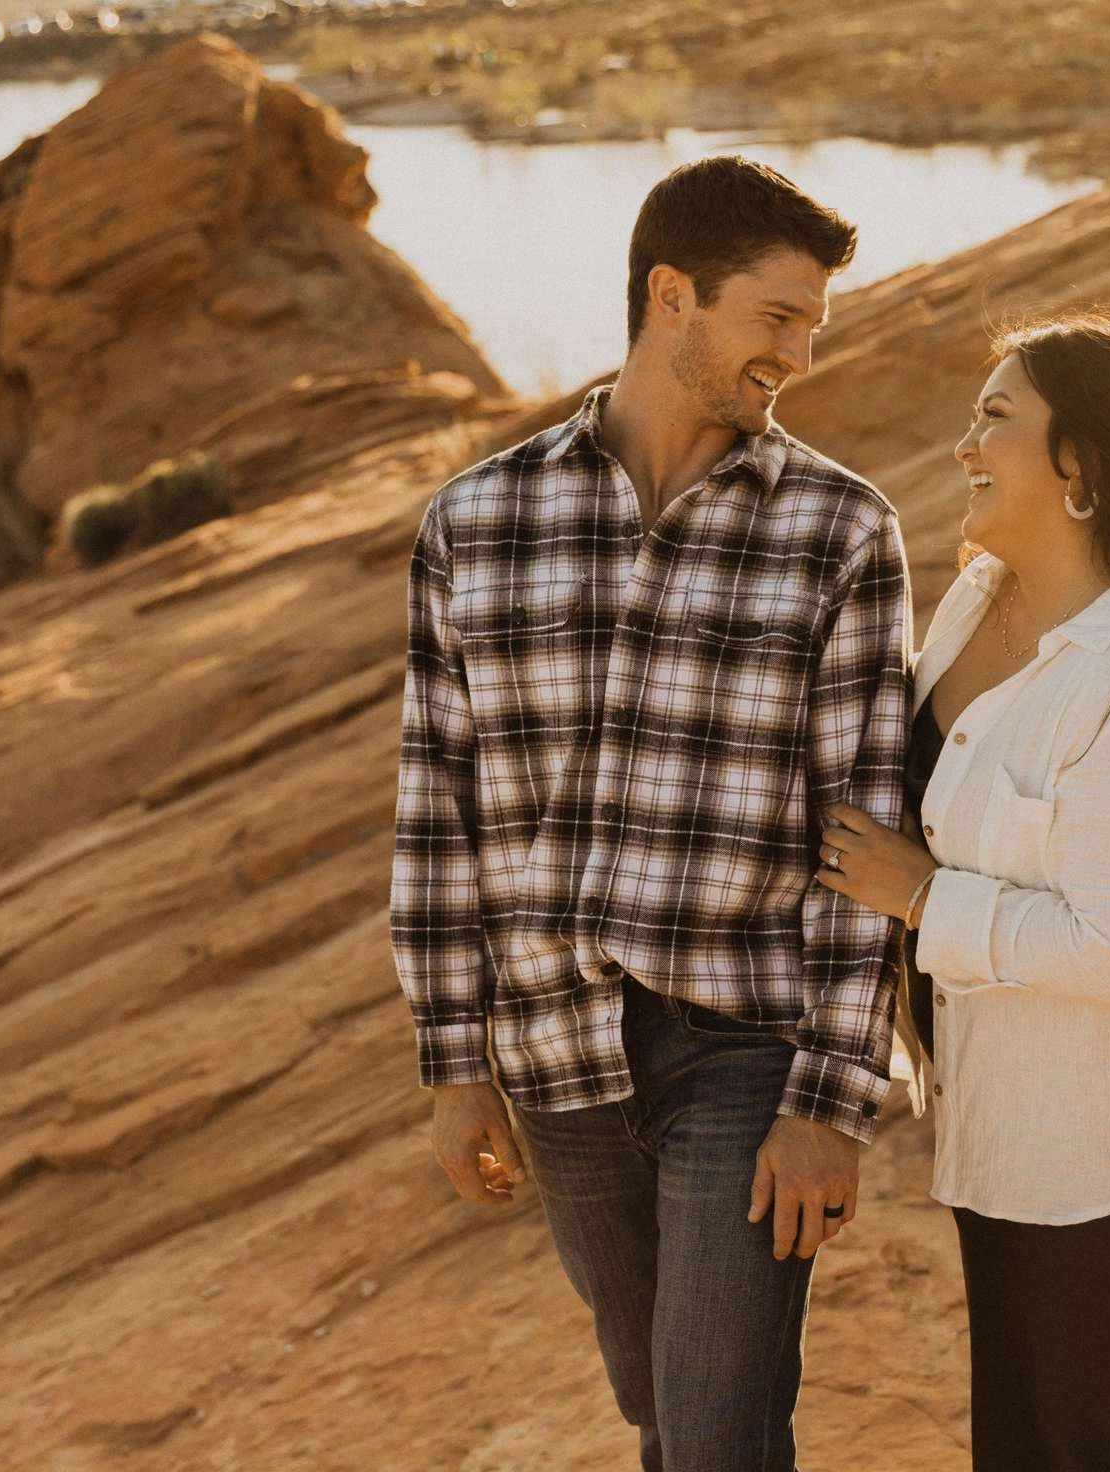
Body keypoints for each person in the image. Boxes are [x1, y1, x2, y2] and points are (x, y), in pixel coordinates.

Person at [389, 156, 913, 1472]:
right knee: (663, 1416)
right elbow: (440, 809)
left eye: (813, 327)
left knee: (721, 1430)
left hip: (744, 1050)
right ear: (672, 297)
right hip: (560, 1056)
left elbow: (868, 825)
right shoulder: (479, 522)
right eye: (776, 319)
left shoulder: (839, 532)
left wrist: (832, 1101)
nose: (797, 354)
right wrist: (456, 1066)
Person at [814, 306, 1110, 1470]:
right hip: (1002, 1130)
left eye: (995, 419)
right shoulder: (980, 598)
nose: (965, 446)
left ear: (1078, 462)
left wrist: (922, 896)